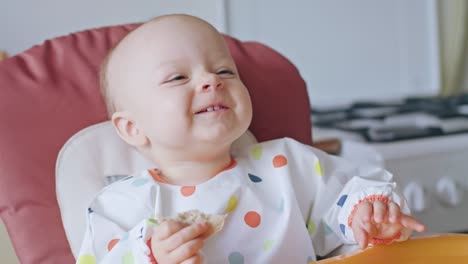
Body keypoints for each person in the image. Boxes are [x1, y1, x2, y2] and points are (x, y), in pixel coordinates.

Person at [76, 14, 425, 264]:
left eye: (224, 70)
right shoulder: (121, 205)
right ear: (133, 128)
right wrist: (150, 253)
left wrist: (367, 213)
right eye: (178, 77)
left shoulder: (287, 165)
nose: (211, 81)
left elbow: (346, 199)